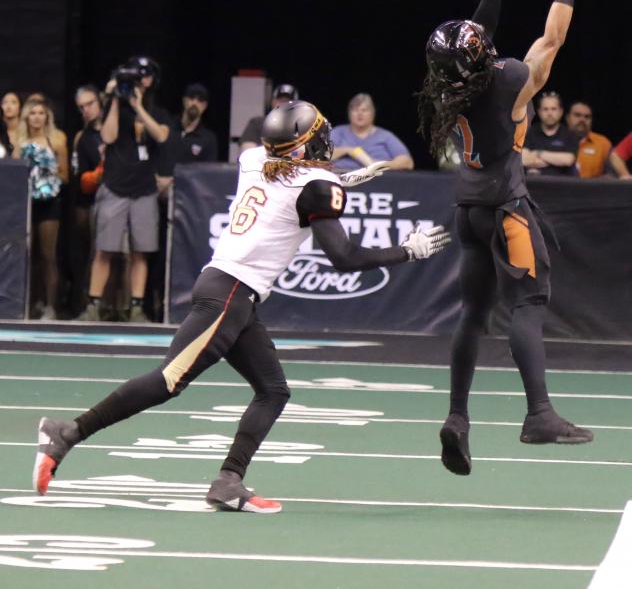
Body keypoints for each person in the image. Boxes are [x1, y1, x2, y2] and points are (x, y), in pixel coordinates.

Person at [33, 99, 450, 511]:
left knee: (272, 391)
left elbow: (291, 179)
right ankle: (67, 432)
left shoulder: (254, 159)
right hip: (230, 293)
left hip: (231, 291)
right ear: (305, 149)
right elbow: (343, 257)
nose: (325, 142)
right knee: (167, 381)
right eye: (317, 138)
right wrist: (405, 251)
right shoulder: (314, 188)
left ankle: (229, 481)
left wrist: (346, 178)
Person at [417, 0, 595, 476]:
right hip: (505, 209)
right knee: (528, 303)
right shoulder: (510, 80)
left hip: (467, 208)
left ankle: (457, 416)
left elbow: (475, 41)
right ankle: (538, 413)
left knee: (473, 312)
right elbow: (550, 43)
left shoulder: (446, 84)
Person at [78, 56, 170, 323]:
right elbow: (107, 136)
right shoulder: (114, 105)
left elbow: (161, 136)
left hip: (144, 189)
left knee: (141, 250)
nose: (140, 81)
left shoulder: (157, 111)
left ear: (152, 79)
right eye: (135, 76)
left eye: (145, 76)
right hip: (115, 186)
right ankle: (94, 306)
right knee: (105, 249)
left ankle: (137, 307)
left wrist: (138, 106)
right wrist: (116, 99)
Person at [14, 98, 69, 319]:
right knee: (27, 255)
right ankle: (29, 303)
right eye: (33, 113)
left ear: (47, 116)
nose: (37, 117)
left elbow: (65, 175)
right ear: (26, 117)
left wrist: (46, 177)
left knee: (48, 255)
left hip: (49, 203)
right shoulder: (19, 142)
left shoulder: (56, 140)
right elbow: (14, 174)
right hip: (25, 203)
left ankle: (50, 306)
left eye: (41, 113)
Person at [68, 85, 104, 316]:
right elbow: (82, 180)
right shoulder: (84, 138)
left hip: (122, 195)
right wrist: (101, 169)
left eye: (90, 104)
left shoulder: (119, 129)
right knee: (93, 253)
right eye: (81, 107)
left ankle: (120, 306)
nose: (86, 110)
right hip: (91, 202)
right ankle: (88, 305)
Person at [330, 93, 414, 171]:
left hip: (378, 180)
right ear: (349, 113)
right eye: (355, 110)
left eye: (364, 110)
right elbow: (320, 156)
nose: (360, 114)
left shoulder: (385, 136)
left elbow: (407, 162)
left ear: (372, 114)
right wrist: (351, 151)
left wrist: (376, 165)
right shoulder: (338, 132)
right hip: (341, 179)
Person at [565, 100, 629, 179]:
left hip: (594, 189)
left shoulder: (603, 143)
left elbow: (612, 175)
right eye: (577, 115)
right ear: (567, 118)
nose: (582, 120)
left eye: (587, 117)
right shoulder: (557, 139)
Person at [522, 92, 579, 176]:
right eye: (545, 109)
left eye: (553, 109)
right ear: (539, 112)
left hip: (563, 185)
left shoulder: (570, 135)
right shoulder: (529, 132)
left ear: (561, 111)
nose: (549, 113)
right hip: (534, 184)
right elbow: (524, 160)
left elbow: (568, 160)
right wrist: (555, 160)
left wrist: (538, 153)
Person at [239, 83, 298, 152]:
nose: (283, 104)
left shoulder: (302, 126)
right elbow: (247, 150)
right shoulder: (257, 123)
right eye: (280, 100)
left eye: (288, 101)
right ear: (273, 102)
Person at [170, 82, 218, 164]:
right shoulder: (168, 128)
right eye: (192, 98)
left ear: (205, 106)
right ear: (184, 101)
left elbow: (208, 172)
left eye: (200, 100)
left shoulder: (208, 139)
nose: (195, 103)